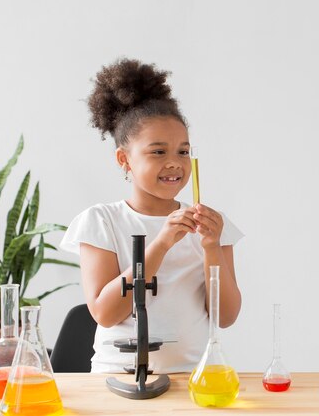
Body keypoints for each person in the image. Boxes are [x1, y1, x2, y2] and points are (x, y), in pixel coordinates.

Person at [60, 58, 243, 373]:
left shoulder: (212, 225)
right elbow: (105, 313)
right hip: (117, 379)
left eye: (183, 152)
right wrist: (161, 244)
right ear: (124, 159)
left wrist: (211, 247)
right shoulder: (101, 221)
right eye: (158, 152)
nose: (174, 163)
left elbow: (225, 316)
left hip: (192, 379)